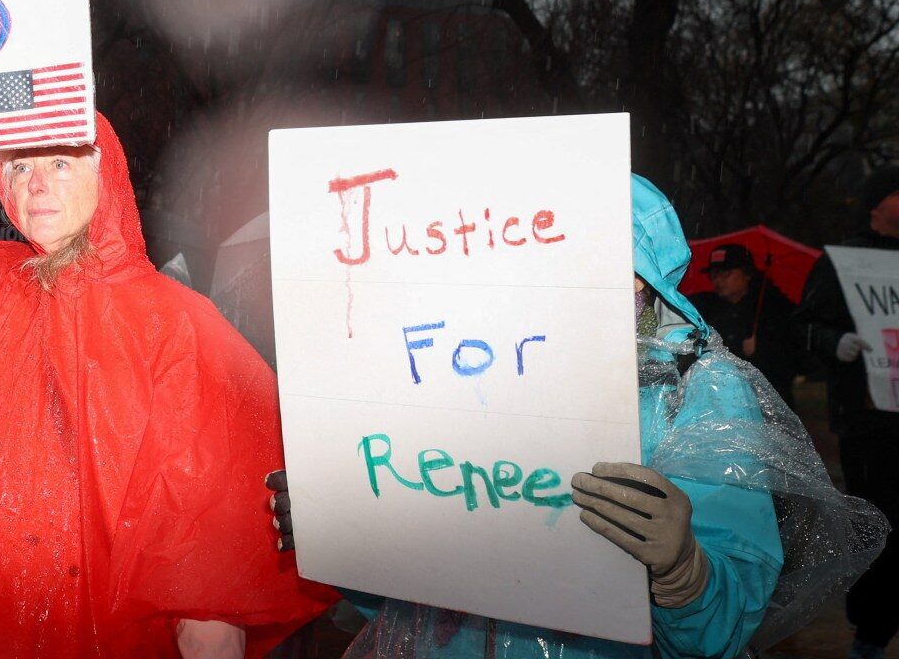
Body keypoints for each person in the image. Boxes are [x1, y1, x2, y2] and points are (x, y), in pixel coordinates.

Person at [0, 117, 333, 657]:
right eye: (21, 167)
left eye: (59, 163)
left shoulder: (173, 321)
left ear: (103, 175)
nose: (36, 184)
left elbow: (202, 559)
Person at [344, 175, 791, 659]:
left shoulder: (698, 388)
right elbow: (417, 614)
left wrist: (686, 575)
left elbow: (717, 634)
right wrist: (351, 535)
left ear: (637, 275)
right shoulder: (458, 376)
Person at [793, 165, 899, 659]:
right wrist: (836, 343)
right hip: (868, 419)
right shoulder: (841, 261)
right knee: (880, 522)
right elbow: (804, 327)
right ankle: (871, 632)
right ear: (877, 203)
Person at [697, 243, 799, 406]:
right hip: (725, 400)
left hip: (768, 401)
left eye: (725, 273)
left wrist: (763, 349)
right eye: (714, 274)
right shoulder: (705, 309)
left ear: (747, 274)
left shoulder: (773, 309)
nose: (718, 280)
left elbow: (792, 358)